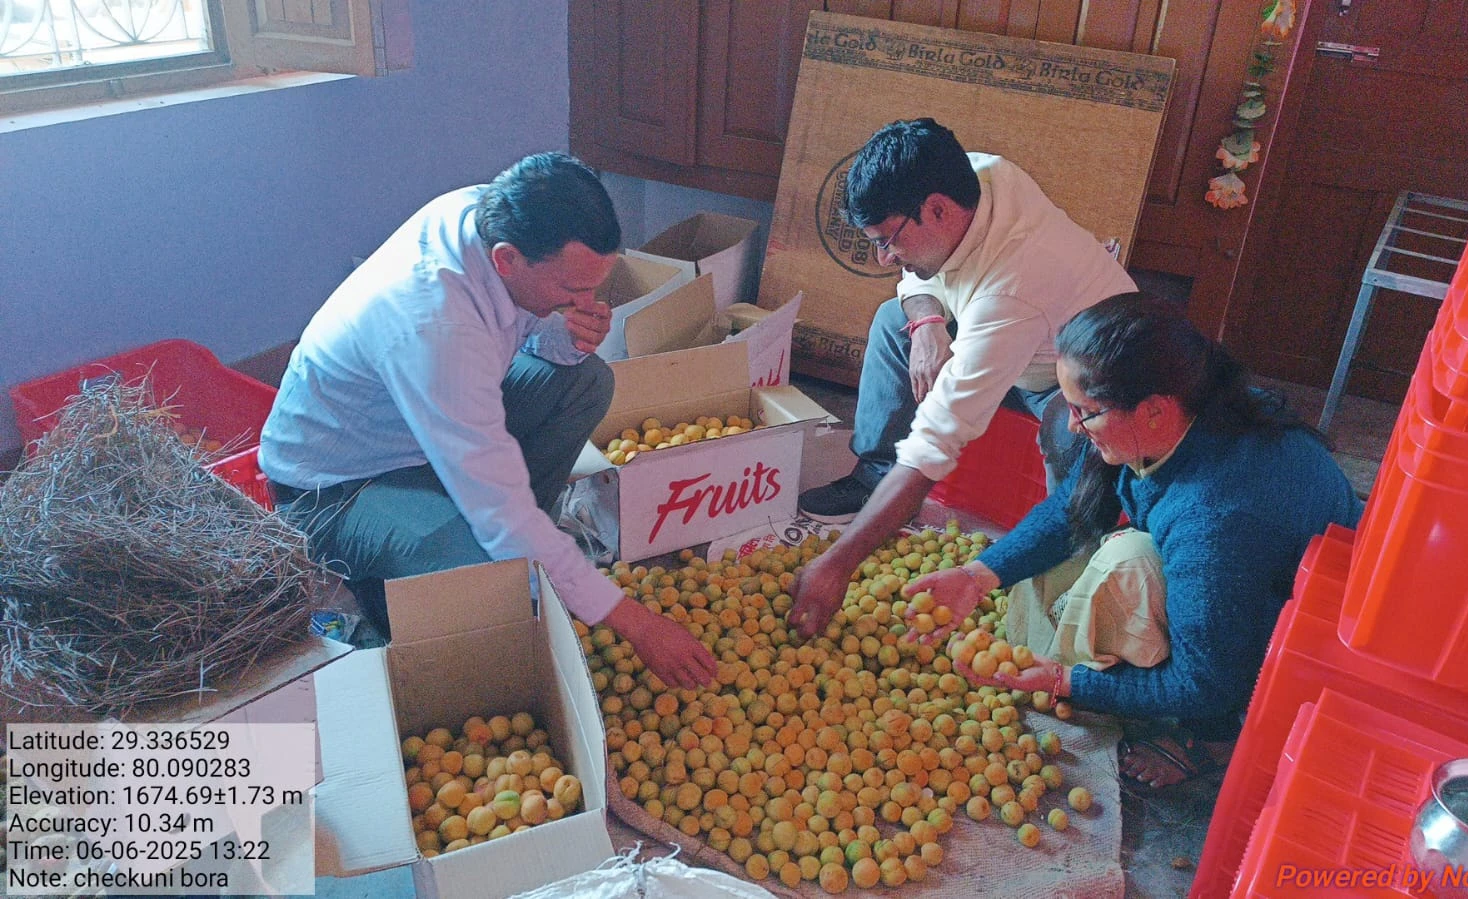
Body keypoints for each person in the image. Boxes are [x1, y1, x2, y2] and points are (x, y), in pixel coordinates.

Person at [260, 152, 717, 689]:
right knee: (480, 572)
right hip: (337, 490)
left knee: (586, 381)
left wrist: (568, 336)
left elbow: (526, 331)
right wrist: (637, 624)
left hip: (419, 436)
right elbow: (497, 505)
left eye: (594, 287)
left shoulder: (491, 214)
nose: (586, 301)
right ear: (506, 260)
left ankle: (523, 558)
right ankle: (396, 584)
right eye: (572, 291)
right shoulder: (434, 326)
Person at [902, 293, 1363, 789]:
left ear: (1154, 411)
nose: (1074, 424)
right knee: (1076, 554)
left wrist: (1064, 682)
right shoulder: (1180, 407)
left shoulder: (1212, 518)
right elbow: (1075, 509)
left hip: (1306, 633)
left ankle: (1216, 740)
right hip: (1237, 573)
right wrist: (978, 576)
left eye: (1085, 411)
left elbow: (1205, 682)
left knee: (1127, 564)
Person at [789, 117, 1135, 637]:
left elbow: (936, 442)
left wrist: (837, 564)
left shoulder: (1014, 283)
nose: (884, 258)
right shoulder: (970, 178)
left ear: (936, 210)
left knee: (1073, 432)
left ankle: (1064, 560)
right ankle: (875, 477)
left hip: (1080, 378)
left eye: (888, 240)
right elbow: (916, 274)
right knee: (894, 320)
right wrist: (927, 323)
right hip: (1016, 346)